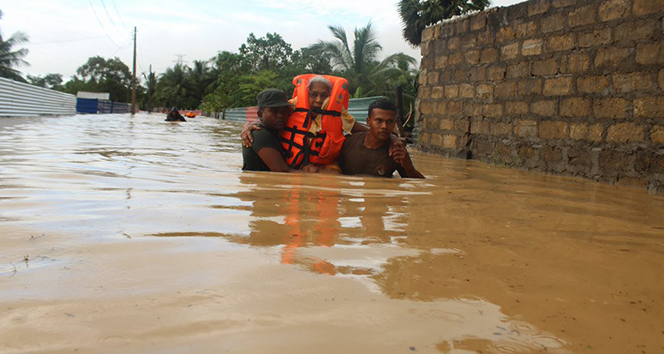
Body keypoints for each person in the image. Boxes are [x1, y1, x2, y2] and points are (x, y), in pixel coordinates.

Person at [339, 98, 424, 179]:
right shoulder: (348, 143)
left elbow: (419, 185)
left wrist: (409, 166)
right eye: (379, 121)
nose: (384, 126)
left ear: (394, 123)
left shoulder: (396, 153)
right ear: (368, 122)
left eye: (390, 121)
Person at [242, 89, 293, 172]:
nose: (280, 115)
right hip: (256, 184)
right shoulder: (258, 134)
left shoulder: (277, 132)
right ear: (260, 115)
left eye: (284, 111)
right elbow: (281, 170)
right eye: (274, 111)